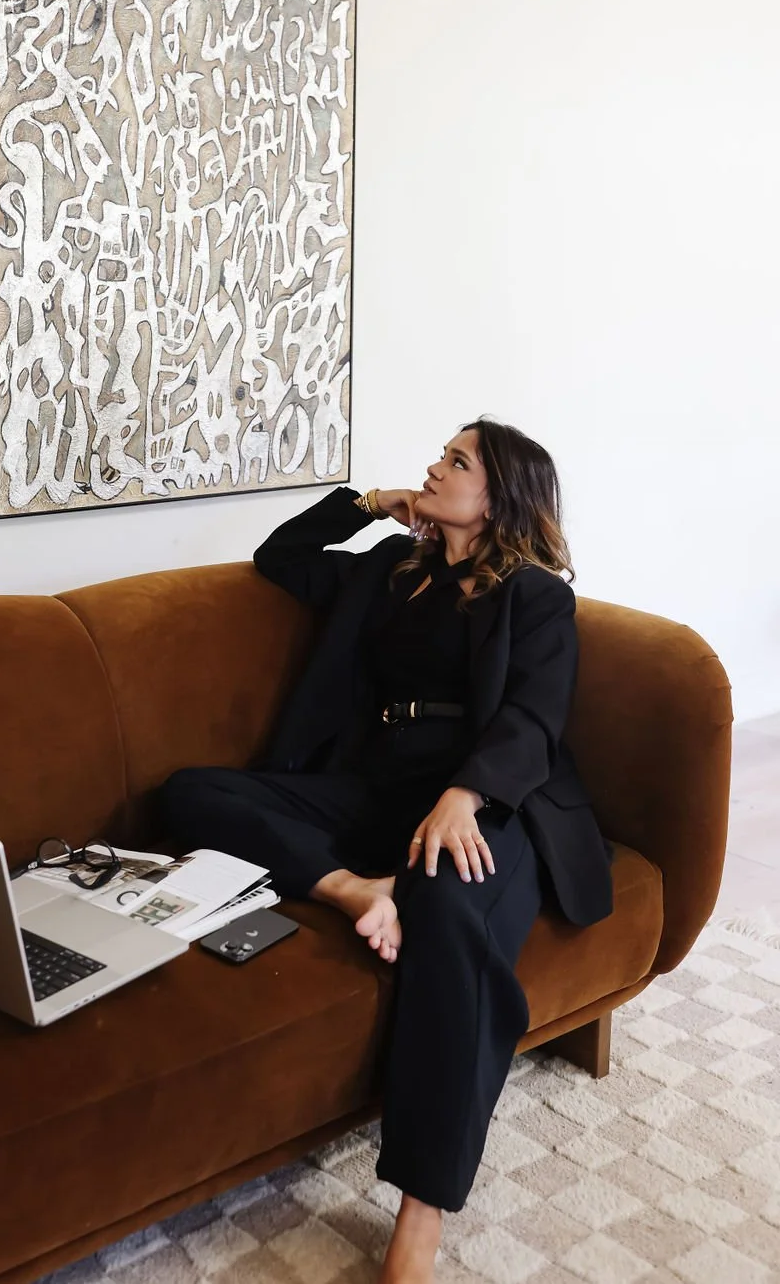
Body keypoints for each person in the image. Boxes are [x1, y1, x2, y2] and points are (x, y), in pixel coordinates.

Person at [156, 416, 614, 1283]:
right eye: (440, 455)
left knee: (446, 904)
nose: (435, 466)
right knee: (191, 792)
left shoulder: (534, 595)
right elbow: (282, 557)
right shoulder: (393, 567)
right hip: (374, 790)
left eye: (456, 460)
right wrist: (373, 503)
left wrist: (463, 795)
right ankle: (355, 888)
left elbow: (532, 717)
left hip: (489, 802)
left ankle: (422, 1206)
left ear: (499, 497)